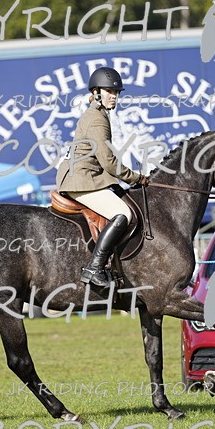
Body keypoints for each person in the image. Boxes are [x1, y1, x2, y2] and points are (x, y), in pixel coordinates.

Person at [55, 67, 149, 286]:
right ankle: (94, 268)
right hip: (82, 179)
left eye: (116, 93)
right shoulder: (97, 119)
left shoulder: (97, 114)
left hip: (88, 176)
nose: (114, 97)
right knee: (122, 213)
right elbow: (108, 161)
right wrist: (135, 178)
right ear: (96, 92)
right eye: (109, 92)